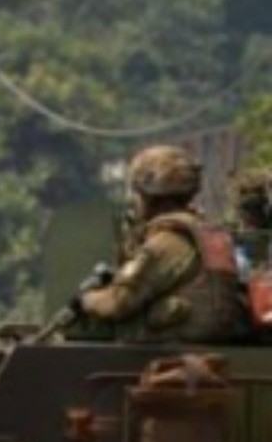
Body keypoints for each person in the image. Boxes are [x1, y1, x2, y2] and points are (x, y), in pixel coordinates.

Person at [76, 145, 247, 343]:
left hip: (172, 352)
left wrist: (87, 300)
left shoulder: (167, 242)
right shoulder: (207, 233)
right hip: (208, 346)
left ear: (146, 195)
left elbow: (120, 302)